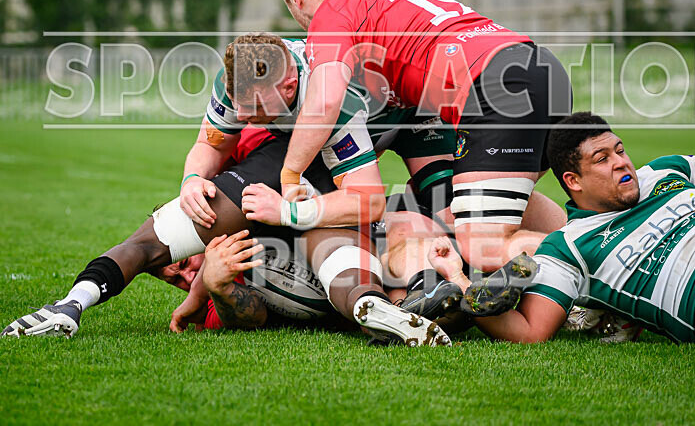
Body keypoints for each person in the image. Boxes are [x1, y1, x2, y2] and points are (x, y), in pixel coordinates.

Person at [1, 34, 453, 346]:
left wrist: (287, 213)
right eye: (236, 103)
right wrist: (192, 179)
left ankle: (414, 294)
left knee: (445, 215)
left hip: (408, 123)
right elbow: (207, 144)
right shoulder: (243, 79)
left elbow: (368, 196)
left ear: (289, 87)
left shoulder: (332, 101)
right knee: (174, 225)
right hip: (288, 160)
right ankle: (69, 306)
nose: (240, 113)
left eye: (252, 107)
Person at [268, 0, 572, 313]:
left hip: (496, 88)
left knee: (482, 243)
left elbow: (325, 100)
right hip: (540, 67)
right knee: (488, 201)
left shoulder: (331, 16)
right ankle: (586, 249)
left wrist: (290, 175)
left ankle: (598, 265)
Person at [428, 112, 695, 346]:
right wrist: (459, 279)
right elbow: (531, 331)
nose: (621, 162)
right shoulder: (568, 247)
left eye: (620, 150)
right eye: (602, 159)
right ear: (573, 181)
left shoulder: (668, 172)